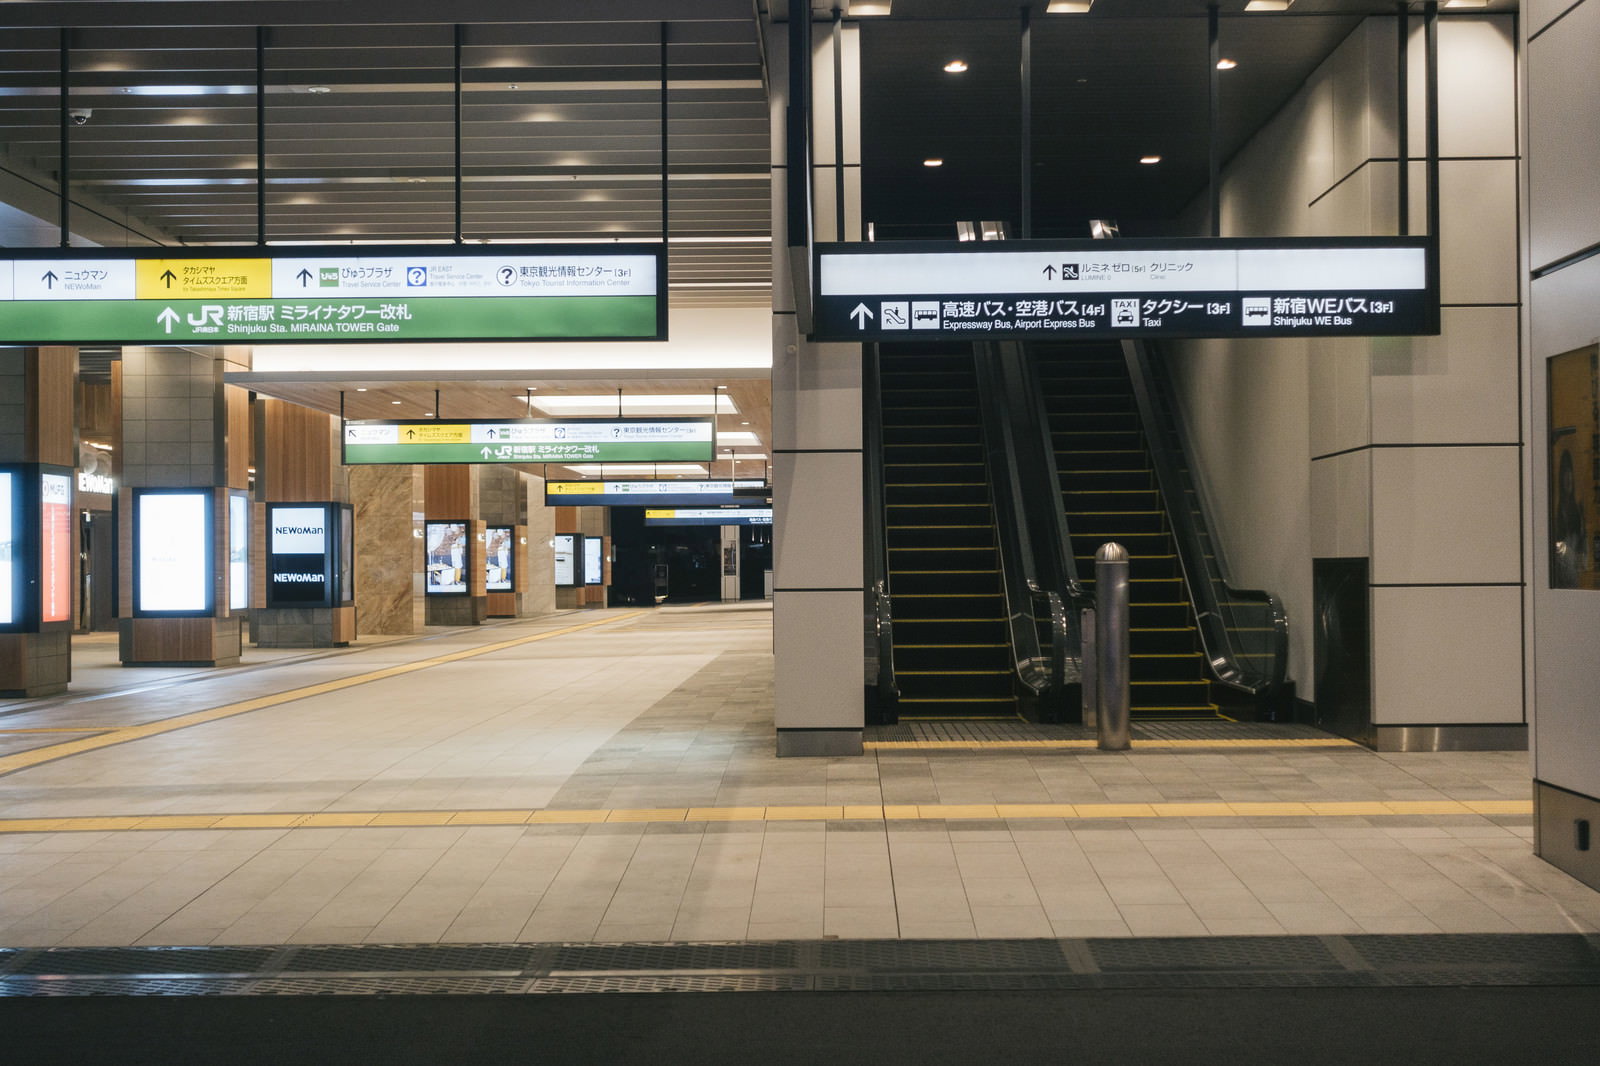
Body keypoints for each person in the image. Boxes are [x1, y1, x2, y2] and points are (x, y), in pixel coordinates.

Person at [1551, 448, 1588, 589]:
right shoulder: (1555, 510)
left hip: (1574, 578)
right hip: (1559, 578)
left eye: (1570, 473)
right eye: (1565, 473)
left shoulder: (1577, 510)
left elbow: (1583, 553)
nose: (1568, 478)